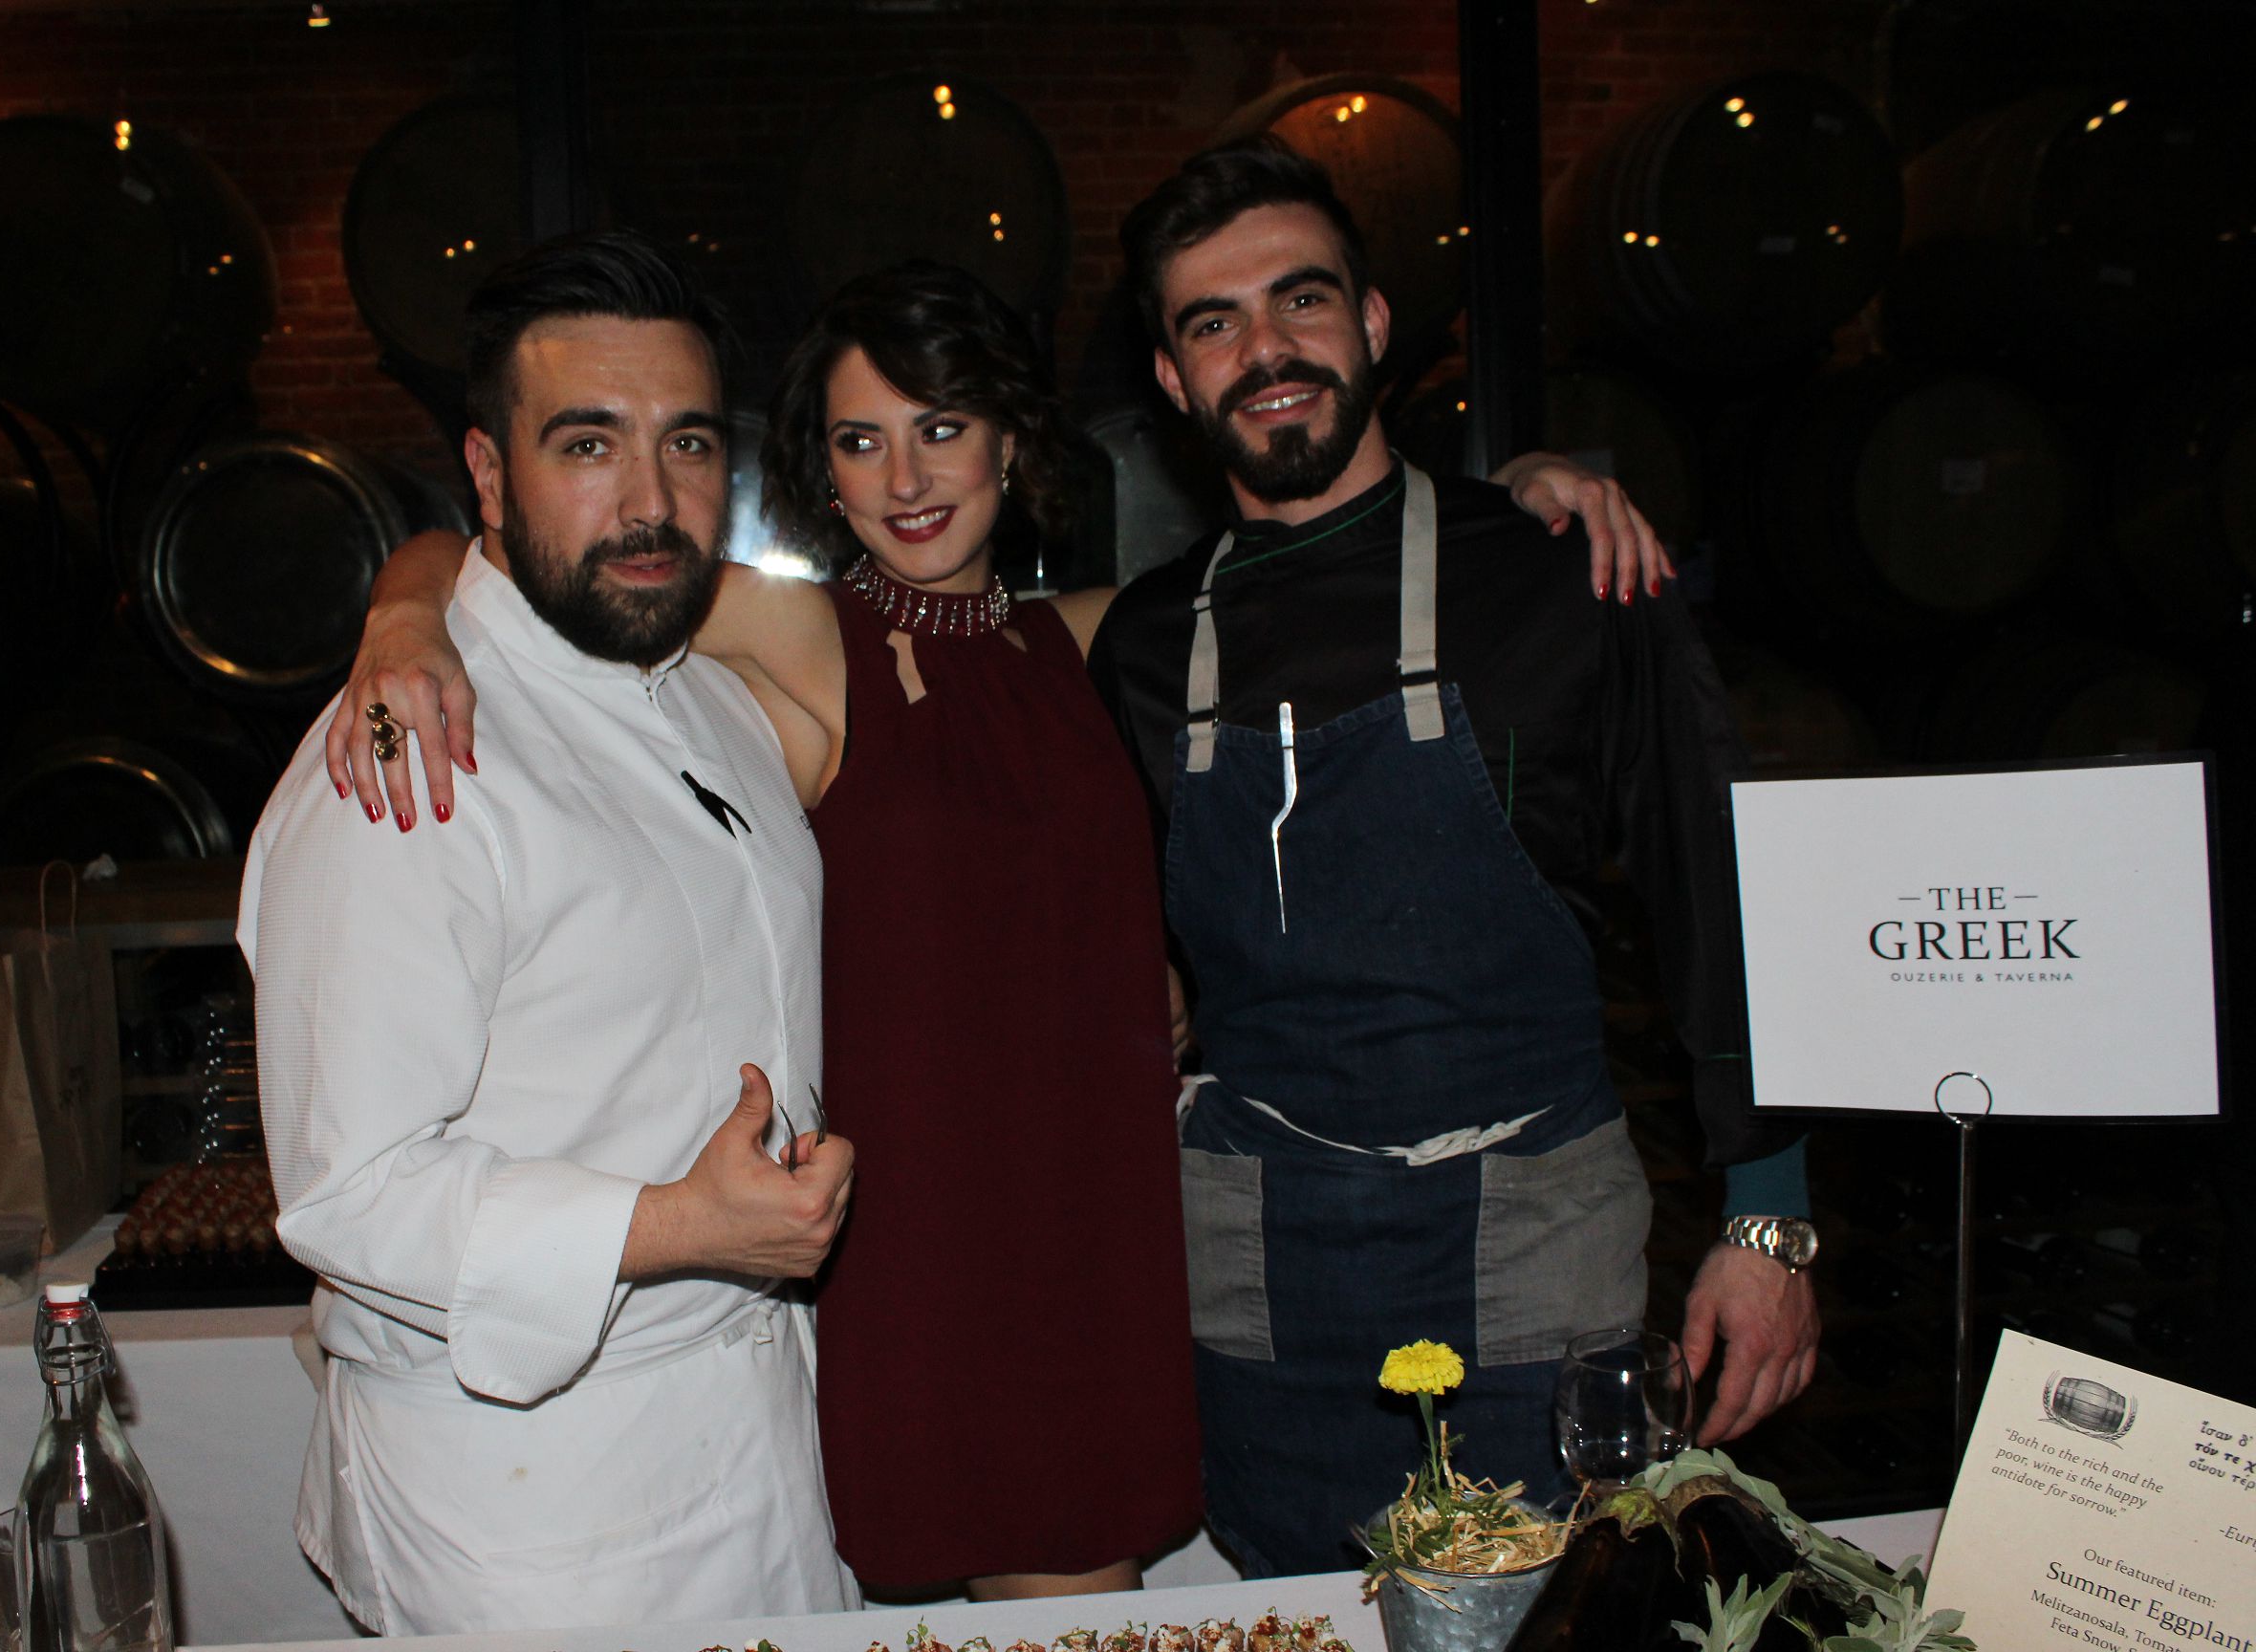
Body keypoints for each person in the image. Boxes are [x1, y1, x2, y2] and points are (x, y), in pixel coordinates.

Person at [328, 268, 1669, 1598]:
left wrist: (1527, 492)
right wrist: (401, 617)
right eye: (861, 440)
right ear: (823, 474)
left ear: (1010, 444)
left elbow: (1336, 576)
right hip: (931, 1237)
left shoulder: (1103, 635)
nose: (906, 477)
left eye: (942, 427)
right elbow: (522, 557)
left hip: (1103, 1210)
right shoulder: (801, 631)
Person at [1085, 137, 1821, 1576]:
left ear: (1371, 323)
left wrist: (1772, 1219)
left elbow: (1722, 890)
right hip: (1258, 1267)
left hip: (1532, 1249)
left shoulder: (1564, 573)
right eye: (1214, 322)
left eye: (1302, 300)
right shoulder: (1148, 645)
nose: (1266, 349)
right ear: (1173, 380)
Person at [237, 230, 857, 1635]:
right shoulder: (407, 757)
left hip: (758, 1425)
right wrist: (677, 1225)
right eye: (588, 444)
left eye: (687, 444)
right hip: (531, 1497)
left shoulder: (707, 695)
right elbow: (351, 1188)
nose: (650, 501)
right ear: (487, 473)